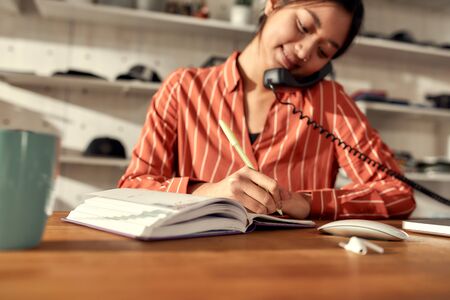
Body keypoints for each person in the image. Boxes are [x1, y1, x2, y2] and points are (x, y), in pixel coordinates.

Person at [118, 0, 416, 220]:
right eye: (302, 27)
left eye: (323, 51)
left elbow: (398, 193)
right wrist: (206, 192)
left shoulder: (330, 101)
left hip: (295, 268)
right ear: (273, 4)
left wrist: (307, 202)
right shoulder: (183, 88)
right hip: (196, 263)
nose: (304, 52)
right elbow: (133, 185)